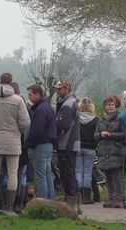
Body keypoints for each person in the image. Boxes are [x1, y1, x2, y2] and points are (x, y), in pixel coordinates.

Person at [0, 72, 30, 215]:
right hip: (13, 142)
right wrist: (17, 130)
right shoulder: (18, 100)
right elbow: (25, 122)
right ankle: (9, 207)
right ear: (11, 82)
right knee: (13, 173)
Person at [54, 79, 81, 211]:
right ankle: (76, 201)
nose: (57, 91)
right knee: (70, 172)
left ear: (67, 89)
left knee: (67, 173)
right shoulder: (69, 102)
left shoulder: (68, 103)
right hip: (70, 143)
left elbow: (62, 125)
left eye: (60, 89)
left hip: (67, 143)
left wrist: (54, 137)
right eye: (57, 89)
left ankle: (72, 204)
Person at [95, 96, 126, 208]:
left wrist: (110, 135)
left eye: (112, 104)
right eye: (109, 105)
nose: (111, 106)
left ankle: (119, 198)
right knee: (107, 175)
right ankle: (111, 198)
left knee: (116, 175)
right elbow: (95, 136)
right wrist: (100, 134)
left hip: (116, 150)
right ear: (105, 107)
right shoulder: (101, 119)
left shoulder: (120, 118)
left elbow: (124, 134)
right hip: (104, 151)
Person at [27, 84, 57, 200]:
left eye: (30, 94)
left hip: (40, 146)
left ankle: (42, 202)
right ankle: (51, 200)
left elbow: (37, 131)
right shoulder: (48, 107)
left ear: (37, 94)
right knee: (48, 174)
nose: (29, 97)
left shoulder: (40, 110)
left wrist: (31, 144)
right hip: (49, 145)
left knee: (40, 176)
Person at [76, 97, 98, 204]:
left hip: (78, 147)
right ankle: (86, 197)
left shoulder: (76, 118)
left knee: (78, 171)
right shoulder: (95, 120)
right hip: (90, 148)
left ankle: (78, 196)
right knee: (88, 172)